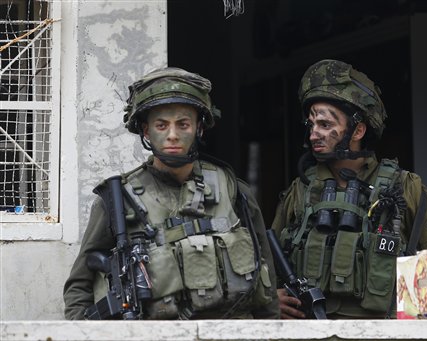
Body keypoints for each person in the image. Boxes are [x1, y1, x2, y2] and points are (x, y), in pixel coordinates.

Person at [63, 67, 279, 320]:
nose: (173, 135)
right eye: (161, 125)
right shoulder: (119, 198)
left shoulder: (234, 190)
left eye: (183, 124)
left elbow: (266, 280)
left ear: (199, 128)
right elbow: (80, 285)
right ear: (146, 131)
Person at [271, 59, 427, 319]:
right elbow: (264, 268)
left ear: (358, 130)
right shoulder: (300, 191)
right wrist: (272, 298)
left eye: (325, 125)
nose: (313, 134)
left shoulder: (404, 187)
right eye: (311, 125)